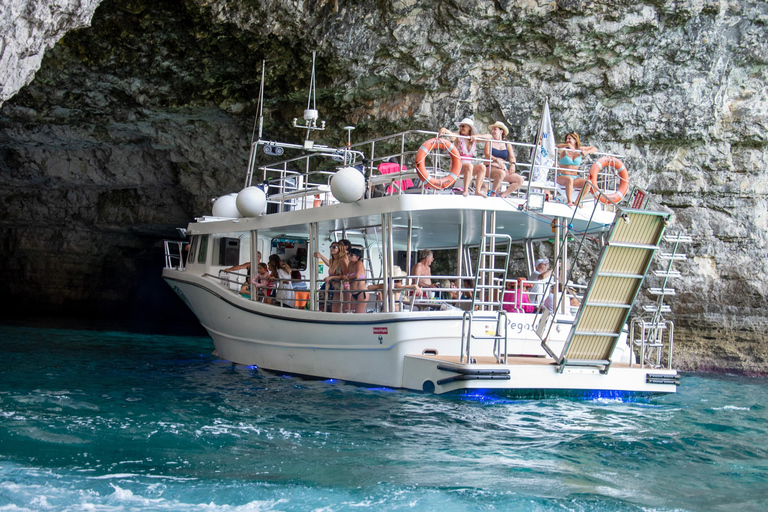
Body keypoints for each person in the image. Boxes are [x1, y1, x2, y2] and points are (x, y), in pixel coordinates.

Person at [438, 118, 487, 197]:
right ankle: (465, 190)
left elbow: (489, 137)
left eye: (463, 126)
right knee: (469, 166)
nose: (461, 128)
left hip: (467, 167)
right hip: (456, 166)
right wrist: (445, 130)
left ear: (469, 128)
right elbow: (452, 136)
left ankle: (477, 190)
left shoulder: (474, 139)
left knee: (482, 167)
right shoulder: (459, 137)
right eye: (460, 126)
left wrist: (476, 136)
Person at [556, 131, 597, 206]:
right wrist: (567, 145)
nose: (567, 140)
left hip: (574, 178)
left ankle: (577, 201)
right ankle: (569, 201)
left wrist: (587, 152)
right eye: (566, 139)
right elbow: (557, 146)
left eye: (569, 139)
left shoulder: (579, 150)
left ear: (575, 140)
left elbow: (594, 148)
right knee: (569, 179)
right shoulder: (564, 150)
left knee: (588, 183)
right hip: (561, 177)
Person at [484, 121, 524, 198]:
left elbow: (512, 156)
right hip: (490, 168)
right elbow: (487, 154)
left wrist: (513, 164)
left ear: (501, 131)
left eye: (495, 129)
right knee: (501, 173)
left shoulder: (507, 143)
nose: (492, 132)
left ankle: (502, 196)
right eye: (492, 130)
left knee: (519, 179)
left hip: (502, 169)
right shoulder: (489, 141)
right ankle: (493, 193)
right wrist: (495, 159)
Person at [314, 242, 348, 312]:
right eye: (331, 247)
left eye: (334, 247)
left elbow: (346, 276)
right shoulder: (333, 260)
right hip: (336, 287)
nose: (332, 248)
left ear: (340, 249)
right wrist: (321, 256)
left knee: (345, 309)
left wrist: (331, 278)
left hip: (344, 287)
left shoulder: (343, 260)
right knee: (334, 309)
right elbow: (329, 264)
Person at [347, 248, 368, 313]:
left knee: (359, 315)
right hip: (353, 293)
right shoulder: (350, 264)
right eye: (348, 254)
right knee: (354, 315)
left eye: (351, 255)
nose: (349, 256)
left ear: (357, 257)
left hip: (361, 292)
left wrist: (347, 278)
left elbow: (357, 276)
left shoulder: (359, 262)